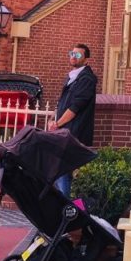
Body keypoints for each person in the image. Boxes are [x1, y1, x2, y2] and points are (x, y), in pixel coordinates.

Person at [50, 43, 98, 197]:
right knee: (59, 169)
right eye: (72, 53)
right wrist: (54, 116)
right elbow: (64, 103)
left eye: (77, 55)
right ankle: (60, 205)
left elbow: (75, 108)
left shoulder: (87, 79)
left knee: (62, 169)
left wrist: (57, 124)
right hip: (64, 131)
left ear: (86, 60)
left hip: (74, 132)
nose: (73, 56)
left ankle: (65, 206)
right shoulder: (72, 77)